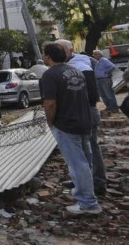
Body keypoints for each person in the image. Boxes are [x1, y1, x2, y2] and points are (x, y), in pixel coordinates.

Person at [40, 42, 100, 214]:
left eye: (44, 54)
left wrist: (50, 122)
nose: (43, 57)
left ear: (48, 57)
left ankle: (88, 203)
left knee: (77, 164)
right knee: (85, 161)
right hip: (83, 122)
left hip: (66, 124)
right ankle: (85, 192)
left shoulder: (50, 75)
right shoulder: (76, 71)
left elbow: (50, 103)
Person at [57, 39, 106, 196]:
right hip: (77, 113)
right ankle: (82, 180)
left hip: (87, 112)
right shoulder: (70, 66)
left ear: (70, 51)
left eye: (59, 50)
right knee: (79, 149)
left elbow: (92, 96)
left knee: (91, 147)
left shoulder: (82, 67)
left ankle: (98, 182)